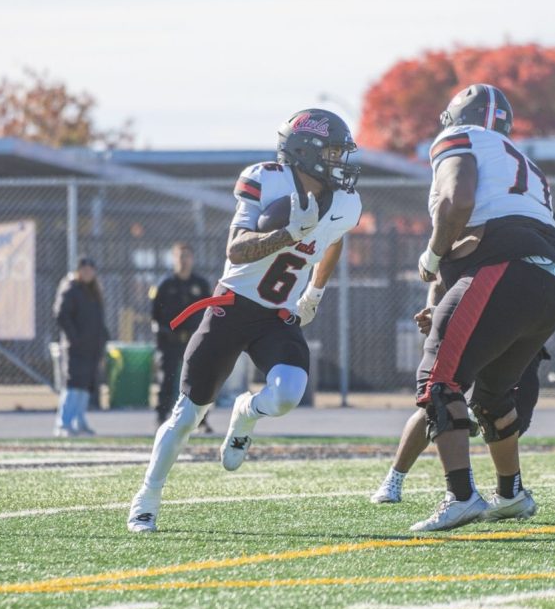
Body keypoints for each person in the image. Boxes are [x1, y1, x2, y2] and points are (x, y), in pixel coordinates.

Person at [126, 108, 362, 533]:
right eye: (331, 152)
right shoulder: (265, 179)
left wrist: (315, 293)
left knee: (289, 392)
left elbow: (333, 240)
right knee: (187, 414)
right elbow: (236, 250)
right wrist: (288, 234)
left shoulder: (345, 203)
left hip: (277, 316)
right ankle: (147, 497)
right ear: (304, 152)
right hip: (233, 306)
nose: (339, 162)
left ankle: (246, 413)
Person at [408, 83, 555, 532]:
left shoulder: (457, 140)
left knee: (439, 379)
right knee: (493, 394)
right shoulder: (526, 166)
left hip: (507, 266)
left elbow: (457, 200)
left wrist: (431, 253)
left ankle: (461, 495)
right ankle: (511, 493)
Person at [371, 211, 555, 507]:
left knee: (509, 412)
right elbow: (442, 271)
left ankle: (508, 489)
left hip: (517, 333)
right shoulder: (489, 220)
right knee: (439, 397)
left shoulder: (542, 236)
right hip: (479, 321)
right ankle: (396, 478)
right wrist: (434, 309)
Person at [150, 242, 214, 433]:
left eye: (187, 256)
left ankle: (200, 420)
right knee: (167, 379)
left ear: (192, 259)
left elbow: (209, 311)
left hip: (194, 340)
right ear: (173, 259)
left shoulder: (200, 284)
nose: (183, 260)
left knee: (199, 379)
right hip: (170, 341)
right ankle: (162, 417)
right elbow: (154, 315)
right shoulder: (165, 284)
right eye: (180, 256)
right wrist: (163, 332)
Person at [52, 257, 110, 437]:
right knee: (73, 384)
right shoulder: (71, 288)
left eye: (90, 269)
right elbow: (61, 315)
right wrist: (74, 338)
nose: (87, 272)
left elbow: (98, 319)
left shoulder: (94, 291)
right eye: (83, 269)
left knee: (85, 386)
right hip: (76, 347)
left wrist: (102, 339)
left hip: (92, 347)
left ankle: (79, 421)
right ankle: (63, 424)